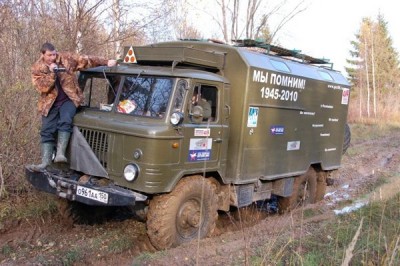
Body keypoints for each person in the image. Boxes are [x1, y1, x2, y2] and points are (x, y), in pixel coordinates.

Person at [30, 42, 117, 171]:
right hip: (49, 103)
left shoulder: (65, 59)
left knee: (65, 121)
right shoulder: (37, 68)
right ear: (42, 54)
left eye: (54, 54)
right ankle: (45, 163)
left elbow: (85, 60)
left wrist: (106, 61)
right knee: (47, 131)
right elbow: (43, 87)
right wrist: (52, 73)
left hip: (69, 98)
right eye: (49, 55)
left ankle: (60, 154)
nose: (53, 57)